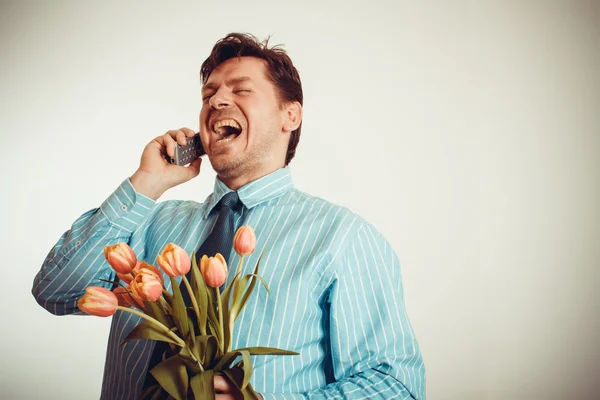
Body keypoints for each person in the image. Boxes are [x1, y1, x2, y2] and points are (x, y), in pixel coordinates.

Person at [33, 33, 426, 399]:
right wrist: (146, 183)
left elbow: (393, 384)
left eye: (240, 90)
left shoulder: (343, 237)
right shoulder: (151, 222)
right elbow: (55, 291)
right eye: (209, 94)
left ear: (290, 115)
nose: (217, 101)